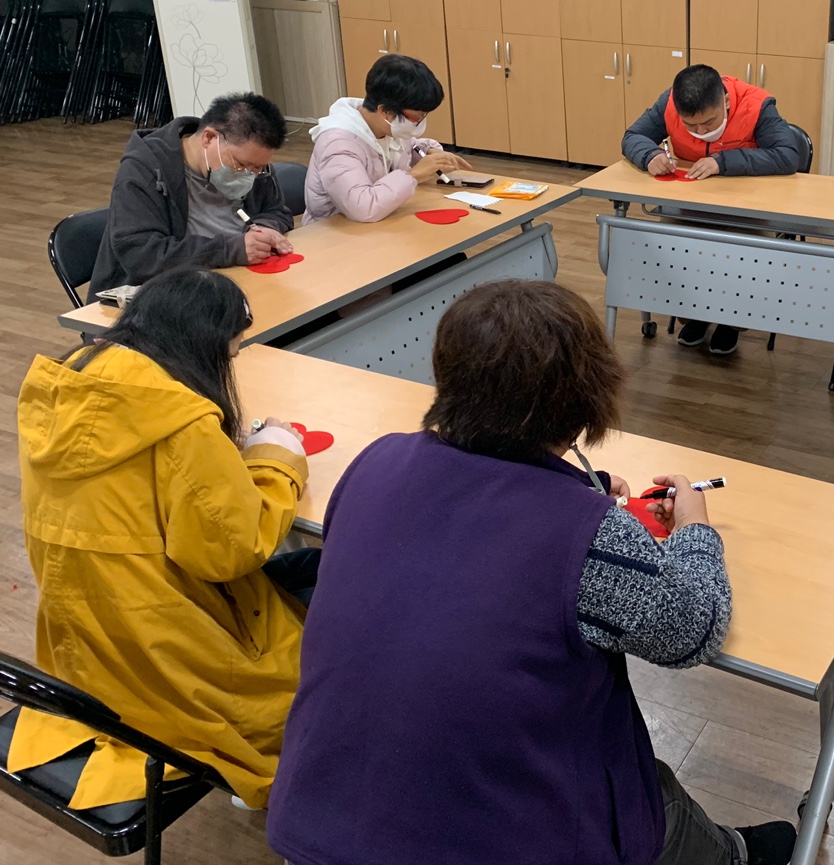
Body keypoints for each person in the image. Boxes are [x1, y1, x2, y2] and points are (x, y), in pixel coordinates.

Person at [268, 280, 797, 865]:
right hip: (484, 837)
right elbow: (694, 632)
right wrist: (696, 530)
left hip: (316, 817)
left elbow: (463, 542)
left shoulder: (376, 460)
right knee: (646, 791)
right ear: (586, 399)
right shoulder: (592, 533)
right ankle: (733, 857)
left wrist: (571, 491)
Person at [11, 268, 315, 809]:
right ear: (202, 345)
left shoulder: (65, 386)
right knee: (318, 675)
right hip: (161, 650)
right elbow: (230, 550)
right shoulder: (179, 420)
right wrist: (277, 457)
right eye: (230, 353)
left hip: (83, 646)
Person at [621, 63, 804, 356]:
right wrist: (650, 154)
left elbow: (787, 156)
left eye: (708, 122)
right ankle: (695, 315)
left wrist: (723, 162)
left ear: (726, 101)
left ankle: (731, 322)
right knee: (669, 249)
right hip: (692, 204)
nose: (700, 131)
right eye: (690, 125)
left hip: (748, 207)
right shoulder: (669, 103)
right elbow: (633, 137)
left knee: (743, 257)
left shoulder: (757, 105)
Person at [89, 92, 295, 298]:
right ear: (209, 138)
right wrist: (229, 249)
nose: (249, 175)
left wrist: (266, 228)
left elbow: (276, 211)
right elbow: (142, 255)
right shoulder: (144, 170)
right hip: (165, 293)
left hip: (239, 278)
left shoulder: (254, 165)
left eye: (258, 168)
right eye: (241, 165)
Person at [303, 53, 471, 223]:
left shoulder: (386, 127)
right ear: (385, 112)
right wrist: (413, 175)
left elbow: (408, 147)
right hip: (335, 231)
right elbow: (363, 208)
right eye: (417, 118)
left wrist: (429, 152)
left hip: (381, 222)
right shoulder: (338, 145)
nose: (420, 123)